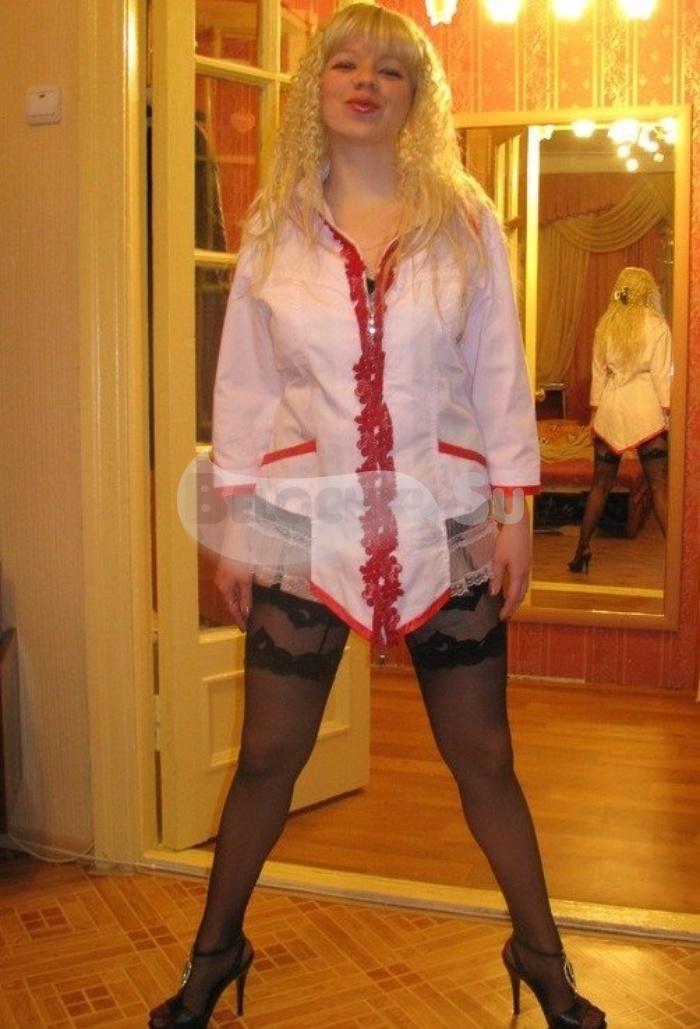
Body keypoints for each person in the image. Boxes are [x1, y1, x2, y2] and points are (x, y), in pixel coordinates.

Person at [150, 5, 605, 1027]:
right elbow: (245, 383)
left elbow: (498, 371)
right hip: (302, 520)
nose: (365, 82)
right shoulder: (274, 224)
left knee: (484, 758)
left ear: (415, 98)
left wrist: (514, 513)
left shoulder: (464, 218)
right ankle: (215, 953)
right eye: (345, 64)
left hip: (445, 515)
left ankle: (541, 956)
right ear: (316, 89)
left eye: (389, 70)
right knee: (266, 757)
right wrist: (236, 528)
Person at [568, 266, 671, 573]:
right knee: (659, 487)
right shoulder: (657, 325)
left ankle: (581, 550)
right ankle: (680, 562)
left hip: (611, 408)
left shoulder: (606, 325)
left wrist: (594, 414)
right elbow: (661, 375)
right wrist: (667, 411)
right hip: (647, 408)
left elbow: (598, 374)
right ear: (647, 290)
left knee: (599, 485)